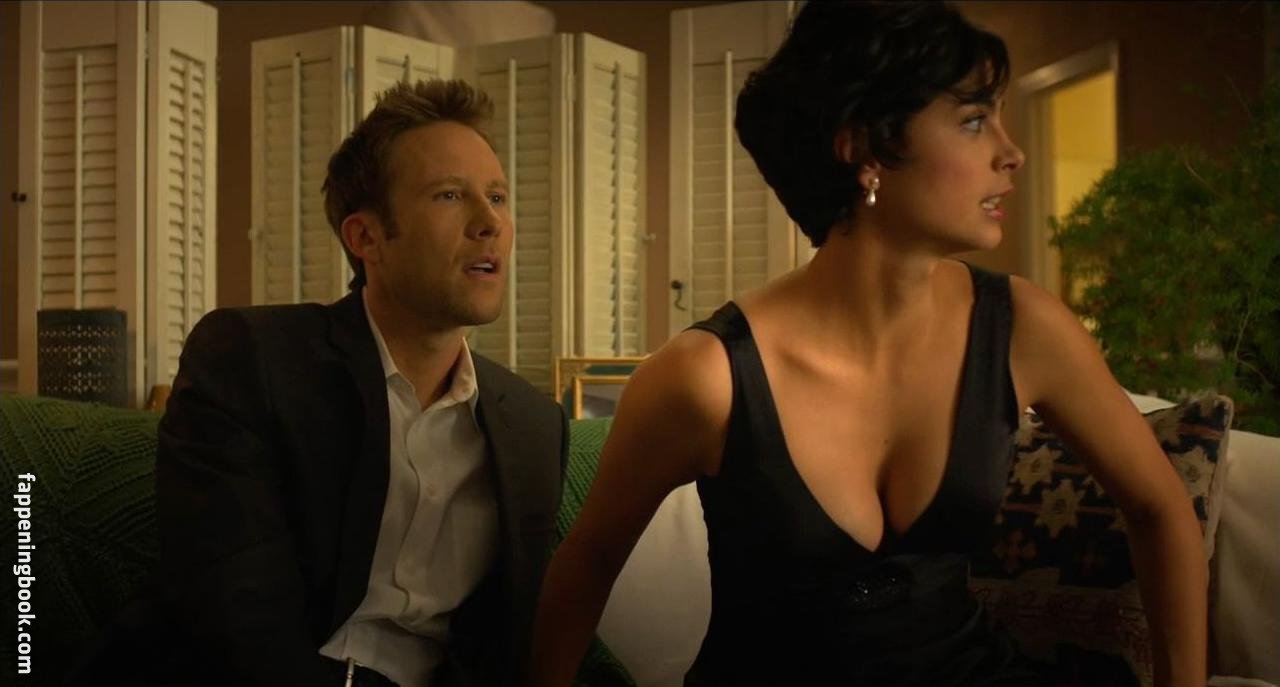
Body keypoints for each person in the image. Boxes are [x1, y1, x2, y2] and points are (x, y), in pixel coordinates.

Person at [529, 3, 1207, 686]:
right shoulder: (707, 377)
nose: (1012, 152)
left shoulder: (1023, 328)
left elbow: (1160, 507)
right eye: (974, 121)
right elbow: (585, 566)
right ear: (864, 148)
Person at [155, 79, 568, 686]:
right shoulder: (251, 359)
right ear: (366, 237)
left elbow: (506, 642)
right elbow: (235, 619)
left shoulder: (534, 425)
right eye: (450, 195)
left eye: (499, 197)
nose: (490, 223)